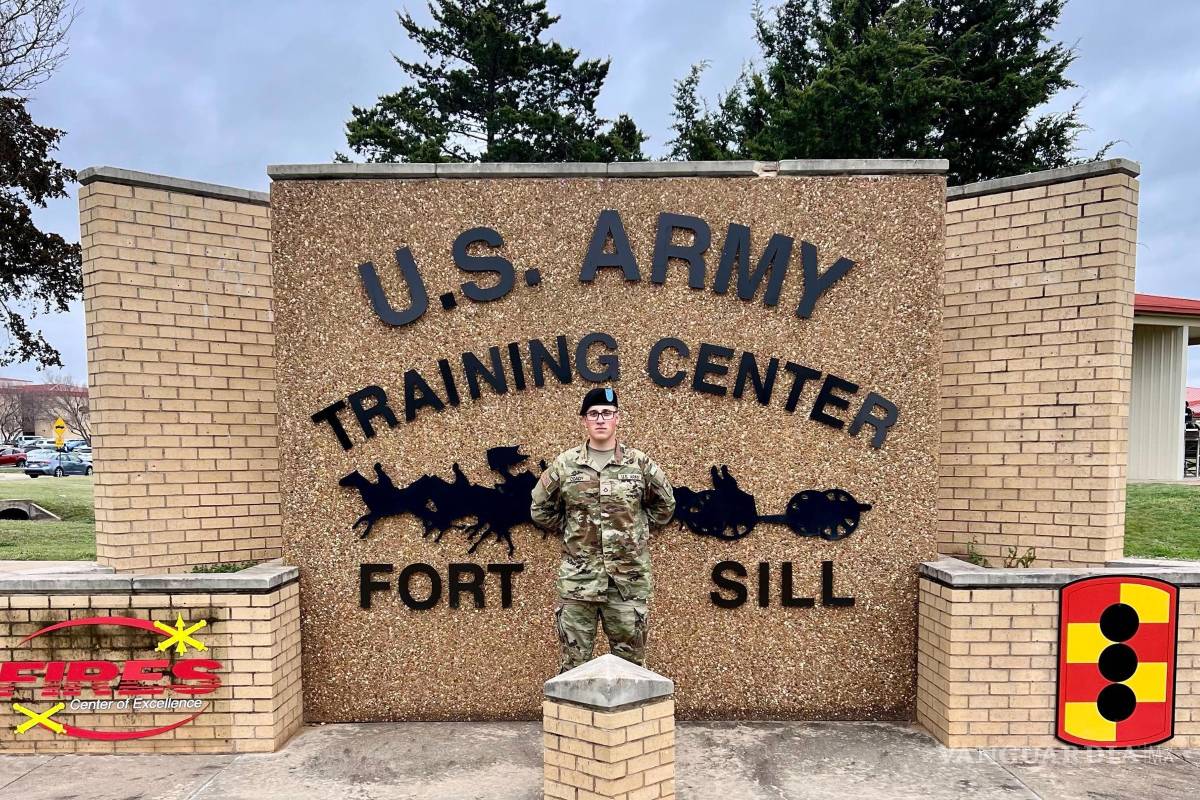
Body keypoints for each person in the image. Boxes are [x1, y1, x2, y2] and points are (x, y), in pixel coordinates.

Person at [530, 387, 675, 673]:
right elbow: (540, 509)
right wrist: (574, 528)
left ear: (617, 418)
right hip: (579, 582)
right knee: (573, 668)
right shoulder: (565, 464)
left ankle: (630, 720)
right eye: (593, 413)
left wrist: (636, 530)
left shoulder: (640, 464)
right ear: (584, 420)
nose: (600, 419)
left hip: (627, 583)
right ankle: (576, 719)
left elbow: (665, 506)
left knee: (631, 668)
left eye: (606, 413)